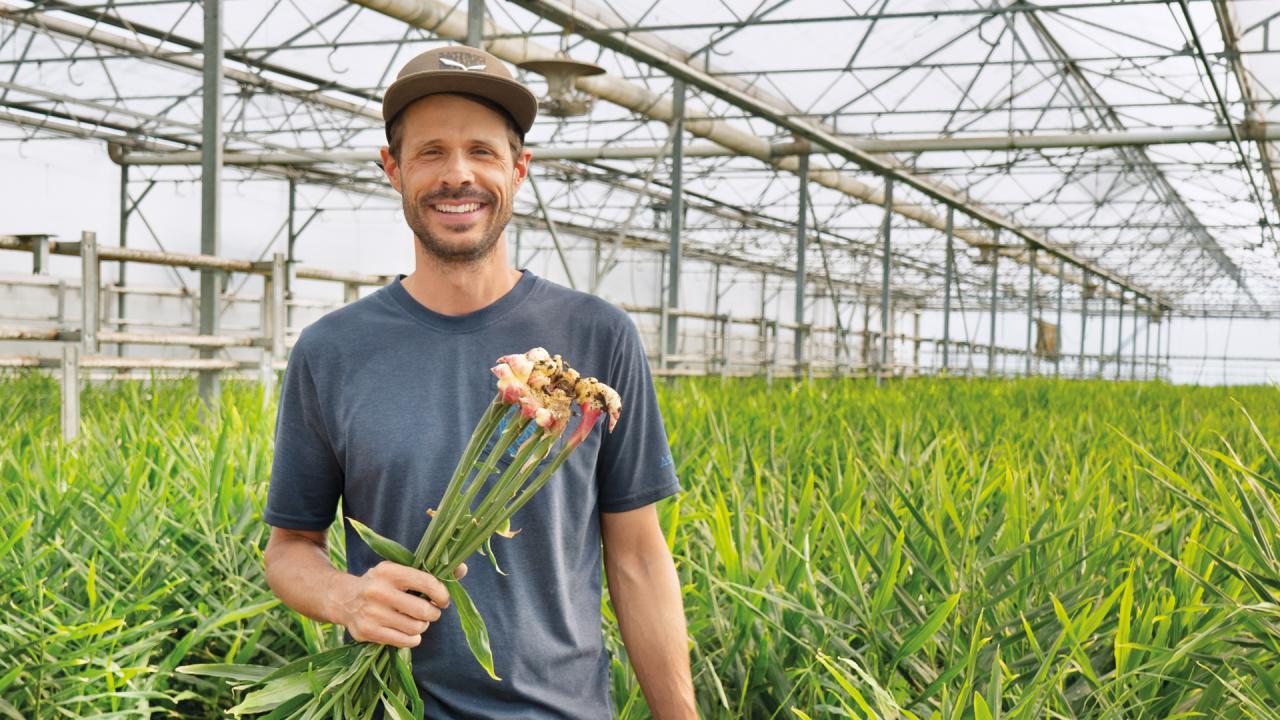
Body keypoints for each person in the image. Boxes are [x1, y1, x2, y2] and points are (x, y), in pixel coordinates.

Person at [261, 45, 697, 719]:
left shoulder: (597, 336)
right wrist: (346, 598)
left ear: (518, 171)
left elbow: (637, 558)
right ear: (393, 169)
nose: (456, 175)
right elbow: (291, 549)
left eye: (483, 153)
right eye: (430, 152)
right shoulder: (332, 351)